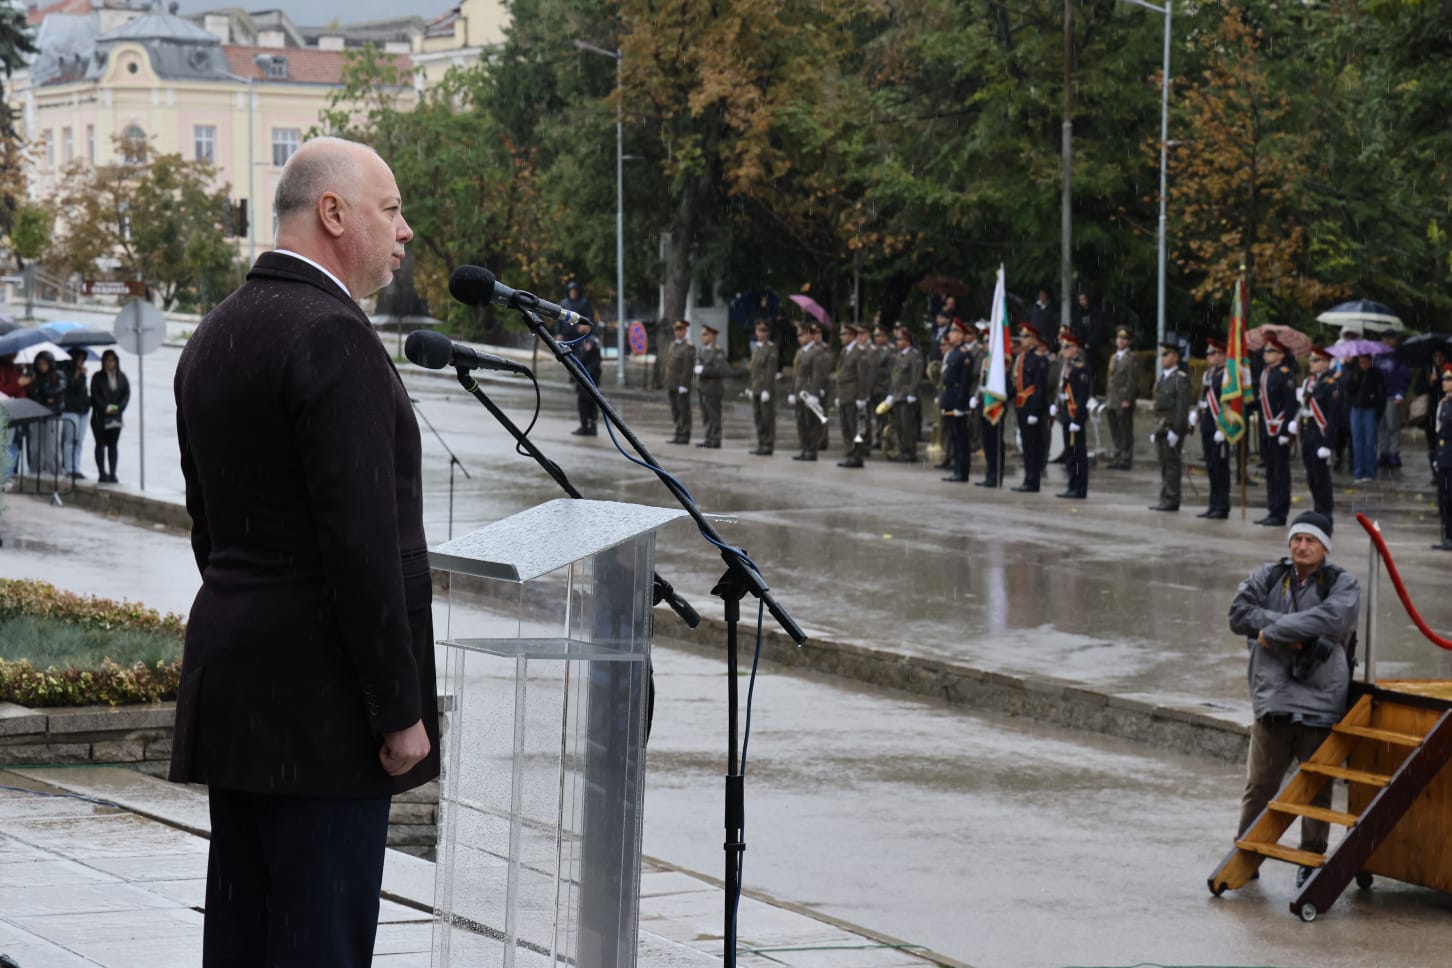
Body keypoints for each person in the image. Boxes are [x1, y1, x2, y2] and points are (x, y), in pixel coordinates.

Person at [170, 137, 438, 967]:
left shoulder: (215, 332)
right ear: (333, 212)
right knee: (320, 946)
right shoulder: (334, 336)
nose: (405, 231)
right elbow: (361, 549)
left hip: (240, 698)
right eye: (389, 210)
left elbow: (210, 533)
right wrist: (398, 709)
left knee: (244, 943)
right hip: (325, 722)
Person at [1228, 511, 1360, 887]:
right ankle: (1246, 854)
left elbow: (1333, 622)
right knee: (1261, 785)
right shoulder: (1268, 576)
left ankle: (1311, 859)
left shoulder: (1342, 582)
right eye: (1297, 539)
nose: (1302, 546)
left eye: (1311, 541)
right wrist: (1293, 633)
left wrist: (1271, 631)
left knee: (1315, 788)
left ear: (1325, 548)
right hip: (1273, 699)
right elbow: (1238, 615)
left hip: (1322, 700)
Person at [1256, 337, 1298, 527]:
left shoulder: (1285, 374)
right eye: (1265, 351)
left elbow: (1290, 405)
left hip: (1279, 428)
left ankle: (1281, 511)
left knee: (1281, 471)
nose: (1266, 354)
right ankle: (1272, 508)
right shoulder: (1265, 374)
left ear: (1280, 355)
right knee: (1271, 470)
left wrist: (1285, 431)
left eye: (1270, 351)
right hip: (1266, 428)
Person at [1294, 346, 1339, 519]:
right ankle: (1317, 509)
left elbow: (1333, 417)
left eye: (1316, 360)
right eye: (1311, 360)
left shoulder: (1331, 384)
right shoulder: (1309, 382)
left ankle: (1325, 514)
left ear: (1326, 363)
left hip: (1321, 435)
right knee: (1311, 476)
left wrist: (1328, 444)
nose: (1311, 363)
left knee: (1322, 479)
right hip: (1308, 432)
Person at [1149, 339, 1191, 511]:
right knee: (1164, 465)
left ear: (1175, 357)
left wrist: (1177, 430)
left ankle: (1172, 498)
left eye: (1166, 354)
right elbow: (1158, 406)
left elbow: (1182, 407)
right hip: (1161, 426)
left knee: (1172, 465)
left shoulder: (1180, 379)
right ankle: (1165, 496)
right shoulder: (1164, 378)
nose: (1162, 358)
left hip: (1172, 427)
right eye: (1162, 354)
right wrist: (1154, 429)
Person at [1010, 325, 1049, 492]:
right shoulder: (1023, 357)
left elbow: (1039, 387)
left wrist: (1034, 411)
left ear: (1034, 339)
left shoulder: (1039, 359)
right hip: (1021, 404)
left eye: (1026, 337)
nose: (1023, 340)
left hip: (1032, 405)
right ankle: (1028, 478)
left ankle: (1033, 480)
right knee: (1026, 445)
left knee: (1034, 445)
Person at [1053, 330, 1091, 499]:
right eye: (1063, 347)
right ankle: (1072, 484)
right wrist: (1057, 405)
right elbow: (1062, 389)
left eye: (1067, 347)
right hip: (1067, 415)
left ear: (1076, 348)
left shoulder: (1080, 368)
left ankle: (1079, 487)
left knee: (1077, 454)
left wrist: (1078, 418)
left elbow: (1083, 396)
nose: (1064, 350)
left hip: (1075, 416)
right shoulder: (1066, 367)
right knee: (1069, 453)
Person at [882, 325, 925, 463]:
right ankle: (902, 449)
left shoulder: (915, 355)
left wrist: (912, 393)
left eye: (900, 339)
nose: (897, 342)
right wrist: (890, 394)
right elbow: (894, 377)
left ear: (907, 340)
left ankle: (909, 452)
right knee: (900, 425)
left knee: (908, 426)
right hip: (897, 395)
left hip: (907, 396)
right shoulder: (899, 355)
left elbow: (916, 376)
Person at [790, 320, 832, 461]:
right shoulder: (800, 352)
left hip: (809, 392)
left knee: (811, 423)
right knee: (801, 422)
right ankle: (804, 448)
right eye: (798, 335)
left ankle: (812, 451)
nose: (799, 337)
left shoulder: (817, 352)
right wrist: (792, 391)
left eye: (802, 334)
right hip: (799, 391)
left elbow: (817, 374)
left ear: (809, 335)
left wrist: (814, 393)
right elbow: (796, 374)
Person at [835, 323, 873, 469]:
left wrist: (862, 397)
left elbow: (863, 376)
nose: (841, 337)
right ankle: (849, 453)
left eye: (844, 334)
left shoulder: (860, 352)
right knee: (846, 427)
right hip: (844, 394)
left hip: (853, 395)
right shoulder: (844, 351)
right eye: (841, 334)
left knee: (855, 427)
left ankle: (857, 456)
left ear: (852, 336)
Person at [937, 320, 972, 482]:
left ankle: (962, 471)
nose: (950, 334)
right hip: (950, 399)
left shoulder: (964, 354)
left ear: (961, 335)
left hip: (958, 402)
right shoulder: (953, 353)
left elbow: (964, 383)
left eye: (953, 331)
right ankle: (957, 469)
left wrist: (960, 404)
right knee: (954, 437)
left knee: (961, 438)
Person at [89, 348, 130, 483]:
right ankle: (102, 472)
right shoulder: (97, 377)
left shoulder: (122, 377)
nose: (110, 363)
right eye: (107, 361)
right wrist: (105, 407)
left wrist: (119, 408)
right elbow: (95, 395)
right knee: (100, 444)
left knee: (113, 445)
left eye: (112, 361)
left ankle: (113, 473)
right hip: (100, 417)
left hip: (116, 417)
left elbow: (126, 394)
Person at [25, 349, 66, 476]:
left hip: (54, 415)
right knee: (35, 447)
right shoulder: (34, 377)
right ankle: (35, 472)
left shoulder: (59, 375)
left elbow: (56, 393)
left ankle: (55, 473)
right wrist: (44, 397)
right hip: (37, 415)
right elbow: (32, 395)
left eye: (45, 363)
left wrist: (43, 394)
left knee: (52, 448)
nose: (42, 366)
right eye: (39, 364)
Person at [1346, 352, 1384, 482]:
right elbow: (1348, 389)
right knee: (1357, 442)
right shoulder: (1354, 372)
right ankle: (1358, 472)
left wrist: (1379, 411)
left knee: (1369, 442)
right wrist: (1354, 378)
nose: (1363, 365)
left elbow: (1381, 393)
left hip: (1370, 409)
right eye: (1361, 362)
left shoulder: (1376, 373)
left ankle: (1370, 472)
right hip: (1356, 408)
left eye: (1366, 362)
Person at [1105, 327, 1139, 470]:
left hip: (1123, 399)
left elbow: (1132, 381)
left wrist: (1128, 399)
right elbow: (1110, 379)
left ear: (1129, 341)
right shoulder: (1114, 357)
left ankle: (1126, 458)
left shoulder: (1132, 358)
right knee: (1115, 429)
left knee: (1125, 429)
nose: (1121, 341)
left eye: (1124, 338)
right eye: (1119, 338)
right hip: (1112, 398)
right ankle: (1117, 455)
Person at [1375, 331, 1410, 469]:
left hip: (1392, 396)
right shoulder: (1377, 356)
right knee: (1381, 426)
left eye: (1389, 338)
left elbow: (1404, 375)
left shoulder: (1398, 355)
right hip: (1380, 396)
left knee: (1393, 426)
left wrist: (1400, 393)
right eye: (1383, 338)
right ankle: (1383, 453)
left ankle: (1394, 454)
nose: (1385, 341)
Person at [695, 323, 728, 448]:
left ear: (713, 336)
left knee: (714, 414)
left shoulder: (718, 351)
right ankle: (708, 437)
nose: (702, 337)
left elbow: (719, 371)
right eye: (702, 334)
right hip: (703, 387)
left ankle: (716, 438)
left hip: (714, 388)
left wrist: (703, 370)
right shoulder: (702, 350)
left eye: (705, 334)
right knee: (705, 414)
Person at [0, 352, 32, 482]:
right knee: (6, 445)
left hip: (17, 411)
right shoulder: (3, 369)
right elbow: (3, 391)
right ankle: (5, 476)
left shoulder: (16, 369)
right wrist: (19, 383)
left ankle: (7, 475)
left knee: (14, 444)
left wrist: (26, 381)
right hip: (4, 410)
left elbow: (21, 392)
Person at [59, 348, 90, 480]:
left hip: (82, 410)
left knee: (79, 441)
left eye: (83, 359)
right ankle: (69, 467)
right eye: (79, 359)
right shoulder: (64, 372)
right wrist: (78, 373)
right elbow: (70, 386)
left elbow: (83, 390)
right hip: (70, 410)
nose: (81, 362)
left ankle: (76, 467)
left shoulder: (82, 373)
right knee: (70, 440)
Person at [747, 320, 777, 456]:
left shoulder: (771, 348)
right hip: (756, 388)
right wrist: (750, 387)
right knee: (758, 417)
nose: (761, 333)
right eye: (759, 330)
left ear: (768, 333)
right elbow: (753, 370)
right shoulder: (756, 348)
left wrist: (767, 389)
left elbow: (771, 371)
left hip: (765, 389)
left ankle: (768, 444)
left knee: (767, 418)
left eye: (764, 330)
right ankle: (761, 442)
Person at [663, 318, 695, 445]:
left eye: (680, 329)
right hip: (672, 383)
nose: (677, 332)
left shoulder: (688, 347)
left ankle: (685, 434)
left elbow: (688, 368)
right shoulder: (673, 345)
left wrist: (684, 384)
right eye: (676, 329)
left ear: (685, 331)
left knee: (684, 410)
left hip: (681, 384)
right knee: (675, 410)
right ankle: (678, 432)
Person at [570, 319, 602, 437]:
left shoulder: (590, 340)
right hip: (588, 376)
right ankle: (588, 426)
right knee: (588, 403)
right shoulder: (586, 340)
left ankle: (588, 427)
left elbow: (586, 359)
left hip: (588, 377)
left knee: (586, 403)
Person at [1433, 364, 1452, 551]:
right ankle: (1447, 535)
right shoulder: (1444, 403)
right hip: (1444, 454)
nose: (1444, 382)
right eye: (1444, 379)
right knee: (1444, 497)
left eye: (1449, 379)